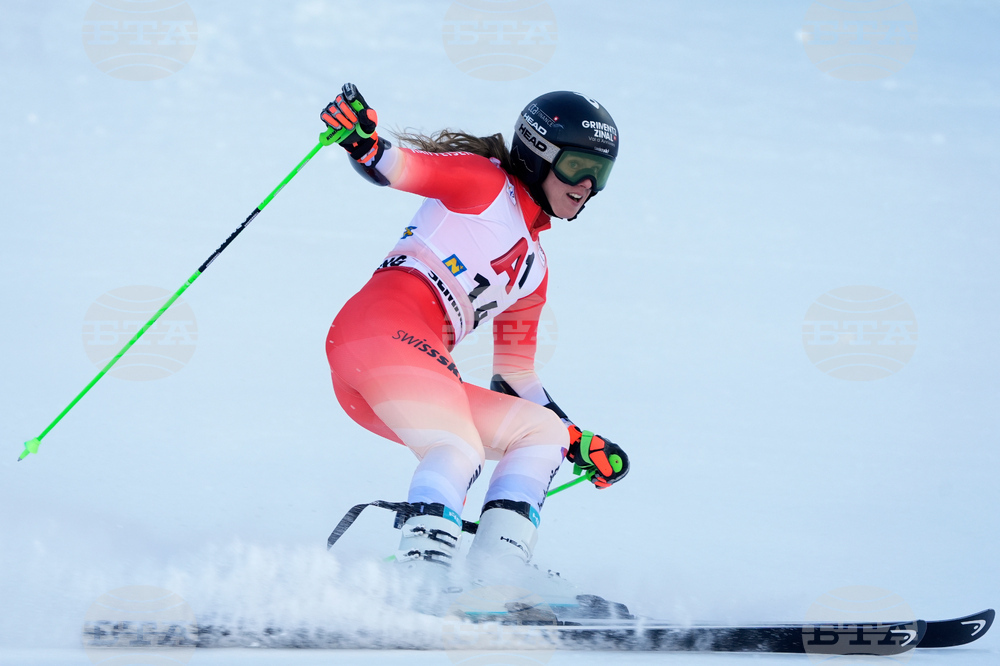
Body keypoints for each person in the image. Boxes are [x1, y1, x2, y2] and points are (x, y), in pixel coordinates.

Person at [322, 83, 629, 586]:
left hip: (403, 374)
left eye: (602, 173)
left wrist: (576, 438)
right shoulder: (486, 185)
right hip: (378, 332)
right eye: (578, 167)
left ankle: (499, 579)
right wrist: (361, 141)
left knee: (541, 434)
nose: (587, 186)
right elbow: (396, 166)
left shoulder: (535, 267)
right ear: (539, 154)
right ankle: (423, 580)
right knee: (457, 444)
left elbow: (514, 377)